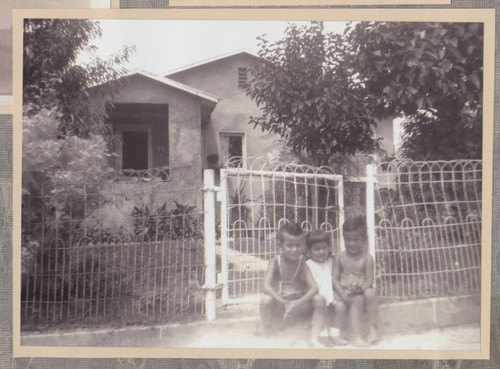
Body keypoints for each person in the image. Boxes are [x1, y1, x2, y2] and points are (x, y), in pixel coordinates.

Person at [259, 222, 324, 347]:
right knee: (265, 300)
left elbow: (314, 287)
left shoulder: (302, 263)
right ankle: (269, 334)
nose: (294, 249)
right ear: (280, 245)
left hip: (297, 305)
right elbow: (266, 286)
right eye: (289, 245)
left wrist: (297, 303)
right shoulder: (275, 262)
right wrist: (283, 302)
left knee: (319, 299)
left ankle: (314, 338)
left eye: (298, 245)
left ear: (303, 245)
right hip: (279, 304)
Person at [332, 216, 380, 346]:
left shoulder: (367, 258)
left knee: (371, 293)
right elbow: (334, 279)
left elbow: (369, 280)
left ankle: (373, 328)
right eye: (348, 240)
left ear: (364, 240)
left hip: (359, 291)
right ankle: (355, 336)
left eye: (356, 239)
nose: (351, 243)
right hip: (343, 294)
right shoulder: (339, 257)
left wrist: (361, 288)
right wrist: (342, 293)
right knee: (357, 299)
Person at [305, 229, 348, 346]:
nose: (321, 251)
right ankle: (320, 336)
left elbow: (336, 280)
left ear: (329, 248)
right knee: (321, 304)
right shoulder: (308, 265)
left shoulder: (331, 263)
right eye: (317, 249)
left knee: (341, 307)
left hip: (331, 296)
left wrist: (338, 294)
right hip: (315, 298)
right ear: (309, 251)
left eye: (324, 248)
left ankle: (335, 333)